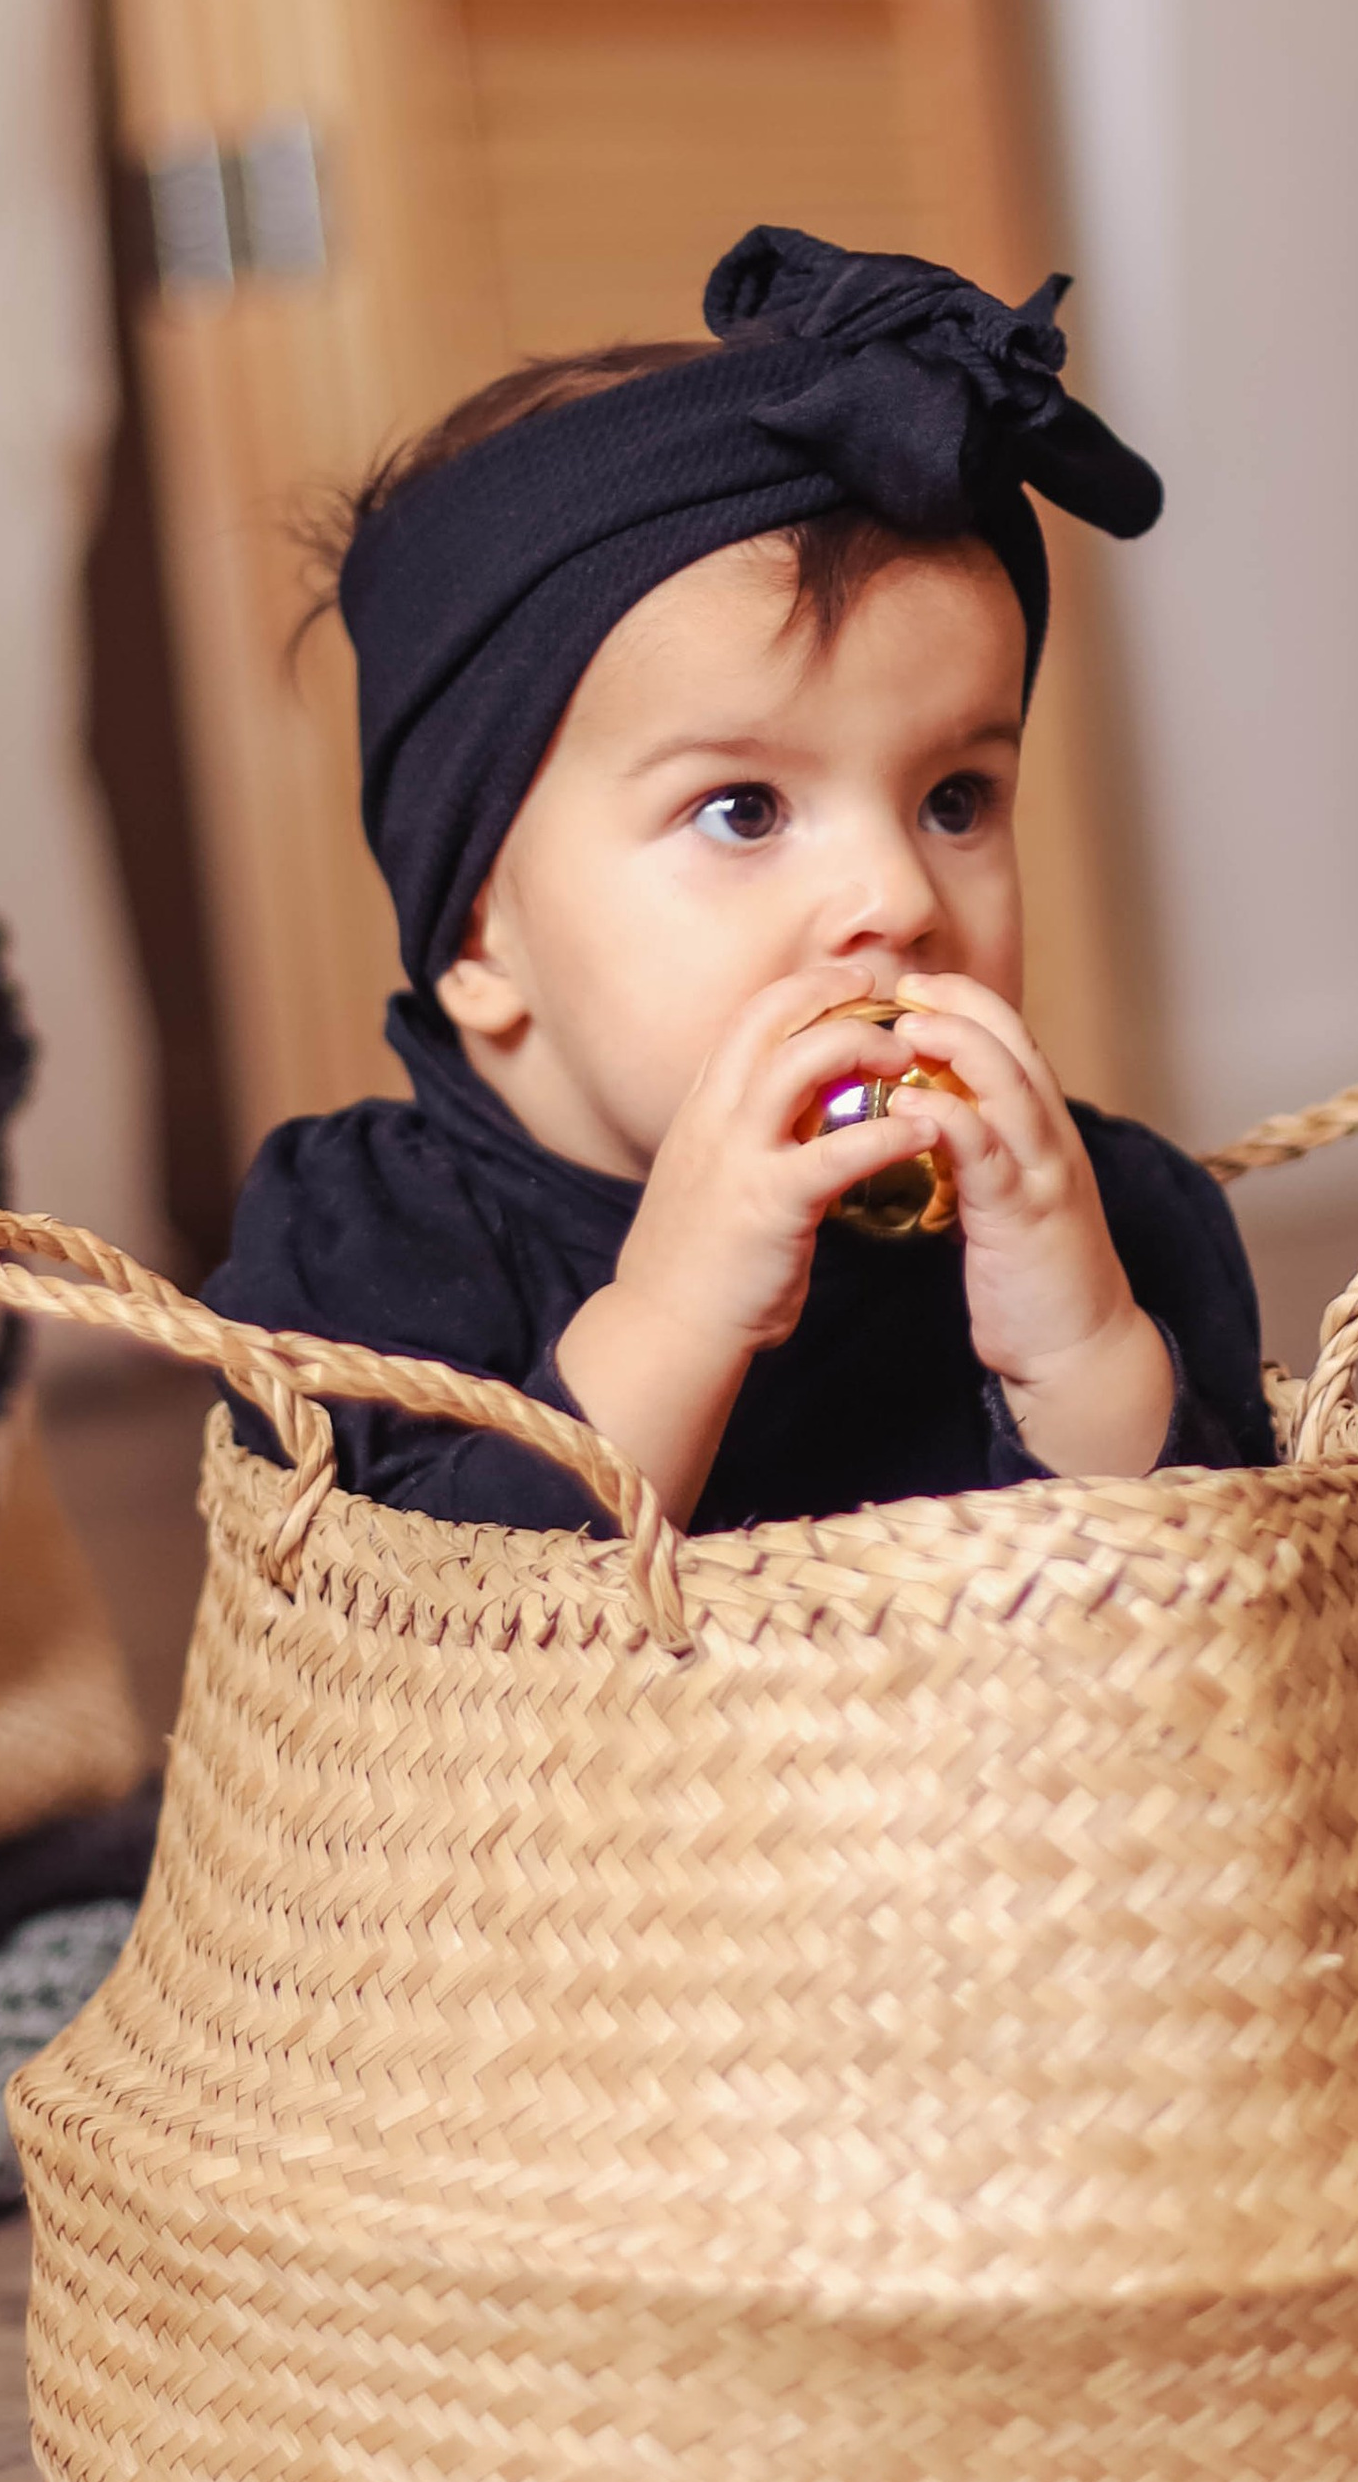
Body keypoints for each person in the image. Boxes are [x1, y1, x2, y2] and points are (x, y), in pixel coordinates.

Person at [206, 227, 1275, 1531]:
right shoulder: (368, 1237)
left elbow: (1237, 1606)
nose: (898, 897)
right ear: (479, 931)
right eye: (743, 810)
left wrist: (1086, 1356)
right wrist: (673, 1322)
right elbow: (393, 1627)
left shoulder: (1114, 1216)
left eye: (954, 799)